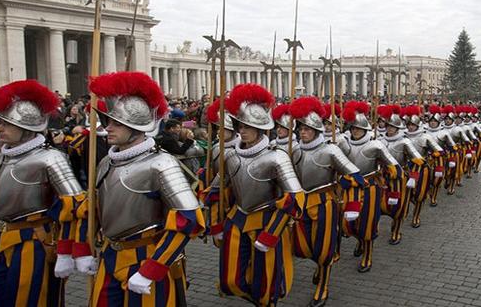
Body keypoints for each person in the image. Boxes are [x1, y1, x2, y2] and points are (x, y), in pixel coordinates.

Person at [79, 71, 205, 306]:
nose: (108, 128)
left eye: (117, 122)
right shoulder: (106, 161)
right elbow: (95, 207)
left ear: (135, 127)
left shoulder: (161, 163)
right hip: (109, 256)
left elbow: (188, 219)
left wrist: (153, 269)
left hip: (146, 258)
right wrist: (82, 247)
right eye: (108, 121)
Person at [0, 80, 86, 306]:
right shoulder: (0, 157)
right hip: (0, 241)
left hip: (33, 243)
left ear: (26, 126)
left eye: (5, 123)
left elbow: (73, 207)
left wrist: (65, 251)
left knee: (32, 300)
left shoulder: (51, 158)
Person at [203, 83, 305, 306]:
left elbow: (295, 197)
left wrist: (273, 232)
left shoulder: (277, 157)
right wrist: (216, 223)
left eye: (248, 126)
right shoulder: (231, 156)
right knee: (230, 281)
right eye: (240, 125)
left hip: (267, 221)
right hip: (238, 219)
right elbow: (216, 189)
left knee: (266, 282)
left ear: (260, 128)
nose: (242, 130)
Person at [289, 97, 364, 306]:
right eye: (300, 128)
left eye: (306, 129)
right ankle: (319, 266)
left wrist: (350, 196)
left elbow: (354, 174)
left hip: (325, 204)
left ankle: (323, 283)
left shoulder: (330, 150)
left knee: (323, 247)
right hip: (302, 203)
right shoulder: (294, 150)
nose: (302, 132)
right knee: (302, 247)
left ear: (316, 130)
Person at [341, 101, 400, 272]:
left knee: (367, 223)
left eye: (358, 129)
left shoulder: (376, 145)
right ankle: (359, 240)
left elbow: (394, 166)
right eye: (353, 128)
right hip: (351, 190)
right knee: (348, 225)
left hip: (370, 189)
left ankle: (368, 253)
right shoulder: (344, 144)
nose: (355, 131)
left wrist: (389, 175)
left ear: (365, 129)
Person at [378, 105, 424, 245]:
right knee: (376, 205)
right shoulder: (379, 140)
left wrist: (413, 177)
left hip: (398, 178)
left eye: (392, 127)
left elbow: (418, 160)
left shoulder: (404, 141)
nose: (389, 129)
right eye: (388, 126)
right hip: (381, 178)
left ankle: (396, 230)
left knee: (397, 207)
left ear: (397, 128)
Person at [402, 105, 443, 227]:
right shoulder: (402, 137)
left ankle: (416, 216)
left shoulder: (425, 137)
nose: (410, 127)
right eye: (409, 125)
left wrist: (435, 153)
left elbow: (439, 151)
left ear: (417, 125)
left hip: (421, 168)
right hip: (405, 168)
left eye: (413, 125)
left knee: (419, 194)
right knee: (403, 193)